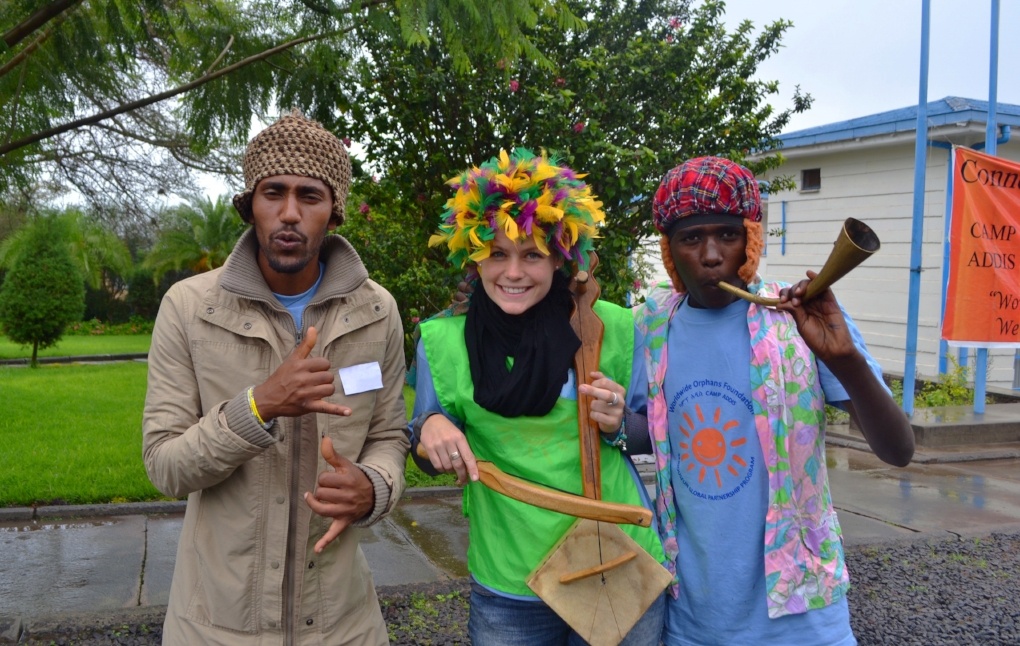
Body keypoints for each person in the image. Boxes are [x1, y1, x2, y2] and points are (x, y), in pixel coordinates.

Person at [143, 110, 410, 646]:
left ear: (333, 211)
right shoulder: (190, 307)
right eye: (273, 193)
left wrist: (375, 488)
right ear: (250, 205)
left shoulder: (377, 311)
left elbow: (388, 437)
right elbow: (165, 465)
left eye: (309, 196)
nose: (289, 213)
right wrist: (258, 407)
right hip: (215, 628)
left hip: (343, 627)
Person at [632, 156, 916, 645]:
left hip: (804, 622)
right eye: (691, 238)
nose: (711, 255)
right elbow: (653, 432)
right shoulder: (651, 330)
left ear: (752, 239)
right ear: (668, 251)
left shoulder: (798, 318)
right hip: (695, 623)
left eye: (726, 234)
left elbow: (899, 450)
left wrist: (845, 360)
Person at [408, 148, 667, 645]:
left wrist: (618, 425)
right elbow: (428, 453)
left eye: (532, 254)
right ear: (474, 255)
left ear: (560, 256)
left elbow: (654, 436)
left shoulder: (610, 327)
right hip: (510, 580)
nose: (513, 272)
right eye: (497, 254)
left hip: (615, 556)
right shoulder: (441, 341)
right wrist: (429, 428)